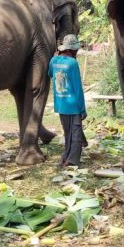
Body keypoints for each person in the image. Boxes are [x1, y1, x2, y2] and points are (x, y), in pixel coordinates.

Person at [48, 34, 87, 167]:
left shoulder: (54, 61)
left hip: (61, 105)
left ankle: (65, 158)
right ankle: (71, 161)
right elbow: (78, 89)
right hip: (74, 105)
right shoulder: (73, 63)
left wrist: (54, 58)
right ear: (72, 50)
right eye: (76, 49)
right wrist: (82, 109)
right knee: (75, 135)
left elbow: (50, 74)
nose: (77, 51)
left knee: (68, 134)